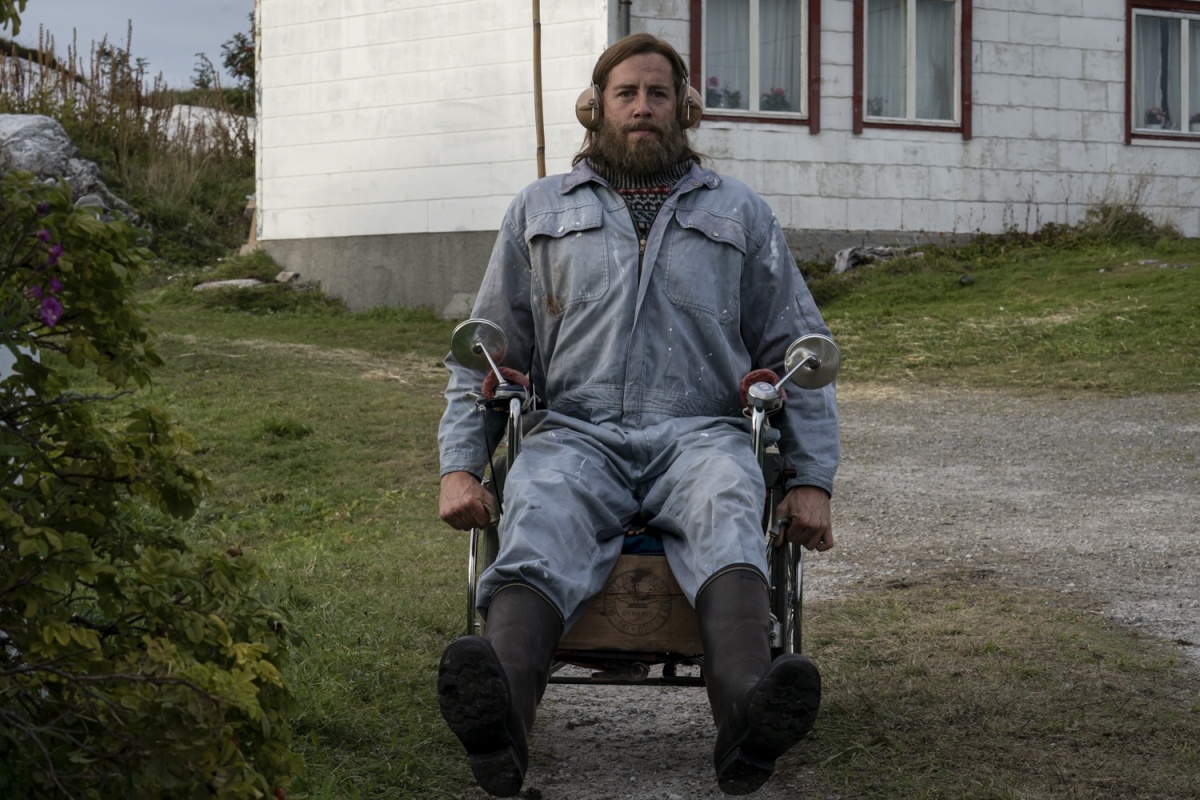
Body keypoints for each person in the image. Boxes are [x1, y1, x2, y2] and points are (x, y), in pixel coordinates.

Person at [435, 33, 839, 797]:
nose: (643, 107)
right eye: (626, 93)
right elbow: (484, 354)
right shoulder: (539, 210)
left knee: (729, 506)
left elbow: (801, 349)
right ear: (596, 108)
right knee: (539, 510)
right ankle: (498, 720)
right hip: (574, 433)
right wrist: (461, 466)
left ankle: (751, 716)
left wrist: (810, 478)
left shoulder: (741, 212)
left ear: (685, 108)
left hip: (703, 433)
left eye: (658, 93)